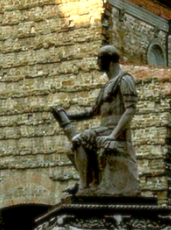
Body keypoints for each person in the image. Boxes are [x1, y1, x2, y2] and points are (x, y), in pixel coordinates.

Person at [51, 45, 139, 197]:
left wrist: (113, 135)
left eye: (99, 58)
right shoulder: (107, 85)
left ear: (109, 60)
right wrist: (68, 115)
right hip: (104, 130)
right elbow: (92, 112)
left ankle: (85, 187)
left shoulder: (124, 80)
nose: (97, 62)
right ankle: (91, 182)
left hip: (115, 130)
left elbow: (130, 110)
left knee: (78, 141)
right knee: (70, 148)